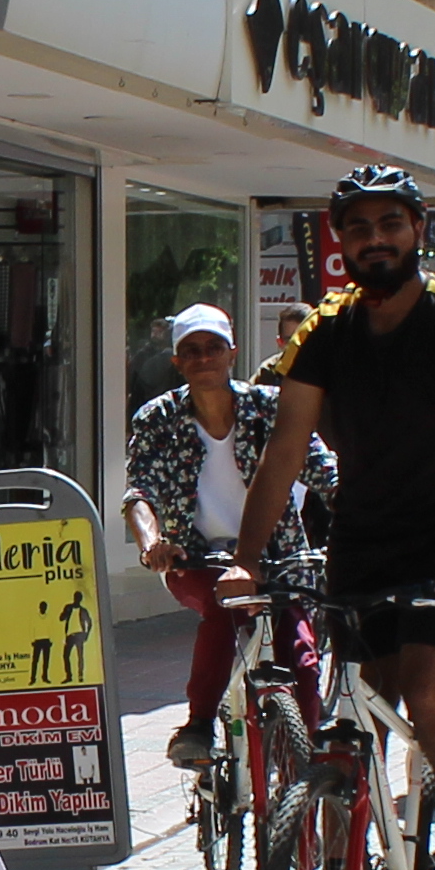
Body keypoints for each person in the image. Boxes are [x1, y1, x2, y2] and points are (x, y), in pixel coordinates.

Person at [226, 166, 435, 860]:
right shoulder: (325, 328)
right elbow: (284, 450)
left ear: (418, 229)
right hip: (363, 534)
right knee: (355, 705)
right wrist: (245, 562)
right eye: (359, 228)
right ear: (340, 241)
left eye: (390, 224)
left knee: (426, 685)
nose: (375, 239)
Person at [120, 304, 330, 768]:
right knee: (224, 605)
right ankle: (197, 726)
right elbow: (139, 492)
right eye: (191, 351)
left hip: (277, 558)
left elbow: (322, 469)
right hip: (196, 560)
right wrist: (153, 544)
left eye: (213, 348)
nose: (203, 359)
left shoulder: (269, 407)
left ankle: (305, 768)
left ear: (232, 352)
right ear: (177, 361)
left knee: (303, 654)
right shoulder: (157, 418)